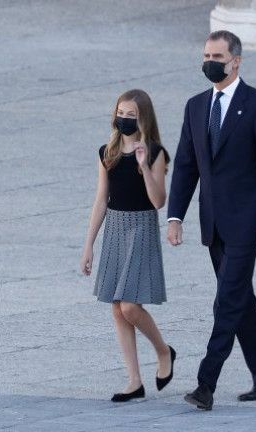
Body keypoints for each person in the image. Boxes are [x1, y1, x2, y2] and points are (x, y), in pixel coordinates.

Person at [166, 30, 256, 411]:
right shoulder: (196, 106)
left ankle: (206, 382)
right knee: (239, 299)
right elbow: (186, 165)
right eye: (206, 54)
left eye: (217, 55)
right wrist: (175, 216)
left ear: (236, 60)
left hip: (248, 223)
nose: (210, 61)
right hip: (213, 223)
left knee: (227, 300)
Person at [80, 89, 175, 402]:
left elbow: (159, 201)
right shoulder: (106, 152)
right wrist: (89, 244)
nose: (124, 119)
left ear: (143, 118)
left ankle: (163, 352)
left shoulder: (155, 151)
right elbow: (100, 200)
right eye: (121, 113)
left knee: (130, 306)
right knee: (117, 308)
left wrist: (144, 165)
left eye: (131, 115)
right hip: (115, 231)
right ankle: (134, 380)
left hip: (141, 229)